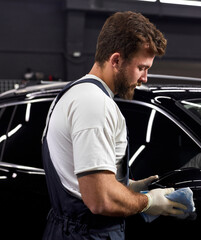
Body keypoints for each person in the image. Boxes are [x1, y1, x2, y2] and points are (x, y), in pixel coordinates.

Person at [42, 11, 187, 239]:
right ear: (116, 60)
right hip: (87, 234)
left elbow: (80, 180)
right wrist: (148, 201)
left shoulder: (75, 93)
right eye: (142, 67)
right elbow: (100, 200)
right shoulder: (94, 104)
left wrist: (128, 187)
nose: (145, 78)